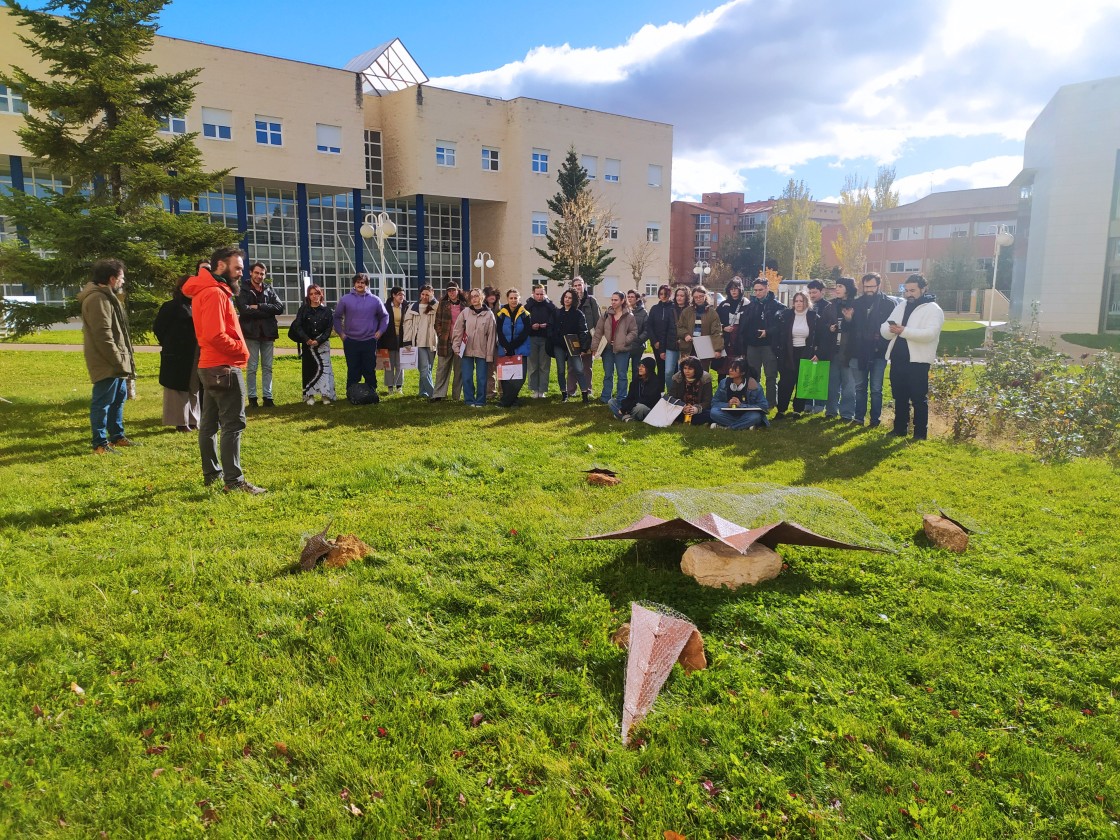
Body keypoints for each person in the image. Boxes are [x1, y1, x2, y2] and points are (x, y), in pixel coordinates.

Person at [182, 246, 266, 494]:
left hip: (210, 365)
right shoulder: (215, 294)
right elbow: (215, 334)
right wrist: (242, 350)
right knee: (233, 424)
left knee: (209, 423)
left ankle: (213, 474)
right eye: (237, 267)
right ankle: (234, 481)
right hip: (223, 366)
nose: (241, 273)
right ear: (221, 266)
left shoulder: (208, 290)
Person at [78, 258, 136, 454]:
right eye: (121, 277)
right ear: (112, 278)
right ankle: (100, 443)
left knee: (118, 399)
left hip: (116, 360)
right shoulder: (98, 299)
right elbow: (103, 335)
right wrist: (117, 360)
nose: (123, 281)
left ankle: (117, 436)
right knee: (102, 403)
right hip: (107, 361)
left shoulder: (108, 296)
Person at [882, 274, 945, 441]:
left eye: (913, 290)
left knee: (918, 398)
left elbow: (930, 334)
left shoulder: (933, 309)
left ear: (923, 289)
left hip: (918, 361)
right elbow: (885, 327)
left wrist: (904, 331)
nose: (909, 294)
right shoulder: (901, 306)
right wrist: (890, 330)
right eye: (906, 290)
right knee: (899, 396)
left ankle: (919, 433)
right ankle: (899, 429)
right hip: (898, 358)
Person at [152, 275, 200, 432]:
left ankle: (194, 420)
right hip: (176, 354)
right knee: (177, 389)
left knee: (194, 387)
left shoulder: (197, 305)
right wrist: (169, 343)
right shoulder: (171, 306)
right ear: (181, 288)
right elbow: (159, 328)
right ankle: (180, 422)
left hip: (194, 352)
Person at [333, 273, 388, 404]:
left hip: (369, 340)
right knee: (353, 369)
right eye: (357, 282)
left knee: (369, 368)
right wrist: (342, 334)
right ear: (354, 284)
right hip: (350, 341)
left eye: (362, 282)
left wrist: (380, 332)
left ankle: (371, 393)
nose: (360, 284)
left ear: (366, 284)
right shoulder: (345, 299)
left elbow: (385, 317)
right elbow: (336, 317)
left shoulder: (375, 300)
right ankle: (351, 393)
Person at [235, 261, 284, 407]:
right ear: (251, 273)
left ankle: (268, 398)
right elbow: (244, 311)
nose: (259, 276)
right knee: (252, 367)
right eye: (256, 273)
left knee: (268, 367)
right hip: (251, 333)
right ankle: (253, 398)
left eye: (262, 273)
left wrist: (259, 306)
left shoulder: (269, 289)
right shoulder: (242, 289)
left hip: (268, 333)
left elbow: (280, 307)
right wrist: (267, 312)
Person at [851, 272, 896, 427]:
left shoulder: (888, 304)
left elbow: (891, 330)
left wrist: (881, 345)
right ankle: (858, 418)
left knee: (876, 389)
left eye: (871, 286)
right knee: (860, 387)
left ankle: (875, 420)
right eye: (866, 286)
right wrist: (849, 319)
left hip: (878, 352)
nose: (868, 289)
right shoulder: (856, 303)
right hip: (859, 351)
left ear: (878, 285)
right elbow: (852, 327)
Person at [772, 291, 820, 418]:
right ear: (793, 303)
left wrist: (817, 353)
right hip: (788, 353)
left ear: (806, 302)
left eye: (802, 301)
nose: (799, 303)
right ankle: (781, 410)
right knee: (785, 383)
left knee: (802, 382)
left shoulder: (813, 316)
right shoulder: (786, 315)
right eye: (796, 301)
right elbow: (779, 334)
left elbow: (819, 337)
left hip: (805, 352)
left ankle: (797, 410)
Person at [739, 278, 784, 406]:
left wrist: (768, 332)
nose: (758, 293)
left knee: (771, 375)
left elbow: (781, 326)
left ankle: (771, 403)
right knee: (753, 375)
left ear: (767, 288)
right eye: (756, 290)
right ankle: (754, 400)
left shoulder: (778, 306)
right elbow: (744, 327)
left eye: (760, 290)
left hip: (769, 345)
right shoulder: (750, 306)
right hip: (752, 346)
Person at [289, 284, 336, 406]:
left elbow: (328, 329)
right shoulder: (303, 309)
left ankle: (325, 394)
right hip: (307, 344)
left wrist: (319, 340)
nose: (314, 296)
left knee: (324, 369)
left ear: (321, 295)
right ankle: (309, 395)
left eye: (317, 293)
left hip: (322, 345)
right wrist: (306, 339)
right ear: (308, 296)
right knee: (309, 369)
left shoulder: (327, 311)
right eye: (311, 294)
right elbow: (297, 326)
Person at [452, 288, 497, 407]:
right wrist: (456, 346)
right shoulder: (465, 312)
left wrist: (490, 354)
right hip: (466, 350)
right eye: (472, 297)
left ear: (482, 297)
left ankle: (481, 401)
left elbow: (492, 335)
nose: (474, 299)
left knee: (482, 378)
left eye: (476, 296)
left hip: (482, 350)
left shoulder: (489, 314)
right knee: (467, 377)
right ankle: (469, 400)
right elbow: (458, 330)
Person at [592, 291, 638, 403]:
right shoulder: (606, 314)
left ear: (622, 301)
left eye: (616, 300)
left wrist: (624, 341)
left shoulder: (629, 316)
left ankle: (621, 397)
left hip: (622, 350)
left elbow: (634, 331)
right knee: (608, 374)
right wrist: (594, 347)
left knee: (622, 375)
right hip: (607, 350)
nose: (613, 302)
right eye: (612, 299)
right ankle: (605, 397)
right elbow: (598, 331)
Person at [825, 277, 858, 420]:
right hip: (833, 351)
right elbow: (822, 324)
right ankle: (831, 411)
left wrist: (849, 319)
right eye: (836, 286)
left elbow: (859, 329)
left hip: (849, 352)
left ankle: (847, 414)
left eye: (840, 286)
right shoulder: (830, 305)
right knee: (832, 385)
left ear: (848, 289)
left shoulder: (856, 305)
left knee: (849, 386)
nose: (836, 289)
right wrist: (829, 327)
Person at [495, 288, 532, 407]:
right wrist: (507, 347)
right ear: (507, 299)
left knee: (519, 377)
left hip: (520, 349)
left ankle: (505, 402)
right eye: (511, 298)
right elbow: (499, 332)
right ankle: (513, 400)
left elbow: (525, 332)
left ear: (519, 298)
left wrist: (513, 346)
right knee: (506, 377)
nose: (513, 300)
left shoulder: (525, 314)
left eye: (516, 298)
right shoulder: (501, 313)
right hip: (504, 349)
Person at [710, 357, 769, 430]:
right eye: (730, 367)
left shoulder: (754, 386)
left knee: (755, 416)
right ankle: (745, 425)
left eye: (734, 368)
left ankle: (727, 428)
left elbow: (764, 406)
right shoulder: (723, 383)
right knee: (714, 412)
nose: (730, 370)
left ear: (743, 372)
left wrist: (742, 405)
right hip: (729, 414)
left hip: (747, 414)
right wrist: (727, 404)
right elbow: (714, 402)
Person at [553, 289, 591, 402]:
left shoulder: (579, 314)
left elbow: (583, 331)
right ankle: (564, 394)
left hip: (573, 346)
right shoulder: (557, 313)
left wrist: (583, 347)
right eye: (565, 297)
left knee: (579, 369)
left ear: (574, 300)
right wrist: (555, 339)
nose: (567, 299)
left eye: (569, 298)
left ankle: (584, 394)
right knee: (561, 370)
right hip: (559, 345)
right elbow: (552, 329)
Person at [432, 283, 467, 401]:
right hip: (445, 341)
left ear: (458, 291)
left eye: (453, 290)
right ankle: (438, 394)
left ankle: (456, 395)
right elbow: (437, 322)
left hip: (461, 342)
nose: (451, 293)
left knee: (459, 369)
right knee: (442, 368)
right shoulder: (443, 305)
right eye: (449, 291)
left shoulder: (465, 305)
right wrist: (441, 335)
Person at [676, 285, 724, 370]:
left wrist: (718, 349)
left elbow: (716, 332)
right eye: (696, 297)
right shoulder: (687, 311)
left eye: (701, 296)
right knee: (687, 372)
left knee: (702, 372)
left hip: (704, 348)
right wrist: (685, 334)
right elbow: (680, 327)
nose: (698, 299)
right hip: (688, 347)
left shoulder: (712, 313)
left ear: (705, 296)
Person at [804, 280, 834, 414]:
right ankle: (808, 402)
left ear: (822, 291)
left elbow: (827, 330)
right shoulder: (806, 306)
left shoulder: (829, 307)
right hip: (808, 344)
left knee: (821, 375)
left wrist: (821, 350)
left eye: (814, 292)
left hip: (823, 346)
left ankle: (820, 404)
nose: (812, 295)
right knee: (809, 374)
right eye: (810, 292)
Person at [405, 285, 438, 398]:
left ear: (432, 293)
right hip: (418, 342)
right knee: (424, 369)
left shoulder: (436, 306)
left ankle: (422, 392)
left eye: (427, 294)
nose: (424, 297)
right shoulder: (413, 307)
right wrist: (407, 341)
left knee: (428, 369)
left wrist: (432, 300)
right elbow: (407, 325)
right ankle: (433, 393)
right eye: (423, 294)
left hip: (432, 342)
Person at [571, 276, 601, 399]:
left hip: (588, 338)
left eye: (580, 284)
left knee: (587, 366)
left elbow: (598, 320)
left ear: (584, 285)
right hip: (573, 338)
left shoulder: (591, 301)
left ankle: (588, 390)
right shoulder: (570, 299)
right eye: (576, 285)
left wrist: (596, 338)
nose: (578, 287)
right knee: (572, 366)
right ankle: (571, 390)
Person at [525, 284, 555, 398]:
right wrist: (531, 326)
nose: (539, 296)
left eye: (541, 294)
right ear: (533, 294)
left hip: (545, 338)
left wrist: (546, 325)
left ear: (545, 294)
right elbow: (523, 321)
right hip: (531, 338)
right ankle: (534, 390)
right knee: (532, 365)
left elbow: (554, 320)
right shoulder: (528, 306)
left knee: (544, 365)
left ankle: (542, 390)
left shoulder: (550, 306)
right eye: (537, 294)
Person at [608, 356, 661, 422]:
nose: (640, 368)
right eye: (639, 366)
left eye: (643, 367)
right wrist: (625, 407)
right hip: (633, 406)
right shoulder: (636, 380)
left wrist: (628, 408)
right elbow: (630, 397)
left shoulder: (655, 381)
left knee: (640, 407)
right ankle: (628, 418)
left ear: (649, 368)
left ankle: (624, 416)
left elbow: (646, 400)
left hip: (646, 408)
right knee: (612, 402)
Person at [646, 284, 678, 385]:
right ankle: (660, 393)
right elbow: (649, 326)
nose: (663, 296)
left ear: (670, 294)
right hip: (657, 344)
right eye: (661, 294)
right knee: (660, 368)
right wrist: (654, 341)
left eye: (666, 294)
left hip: (670, 343)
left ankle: (672, 392)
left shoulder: (674, 308)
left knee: (672, 369)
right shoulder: (655, 308)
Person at [716, 277, 747, 377]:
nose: (733, 291)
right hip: (725, 339)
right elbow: (715, 322)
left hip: (740, 340)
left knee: (737, 367)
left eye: (736, 288)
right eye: (731, 289)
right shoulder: (723, 305)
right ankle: (723, 390)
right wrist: (723, 327)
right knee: (723, 368)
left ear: (740, 289)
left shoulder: (747, 304)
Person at [668, 355, 712, 425]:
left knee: (711, 414)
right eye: (685, 368)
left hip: (698, 410)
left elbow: (707, 400)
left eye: (690, 369)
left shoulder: (705, 379)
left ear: (696, 369)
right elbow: (672, 397)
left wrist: (696, 409)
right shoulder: (677, 378)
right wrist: (683, 407)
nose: (686, 371)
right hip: (681, 409)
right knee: (669, 411)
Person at [381, 286, 408, 394]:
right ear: (393, 295)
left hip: (402, 338)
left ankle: (399, 386)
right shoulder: (385, 307)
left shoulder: (407, 307)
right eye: (399, 294)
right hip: (388, 338)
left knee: (400, 364)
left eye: (403, 295)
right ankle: (390, 387)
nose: (402, 297)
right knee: (389, 364)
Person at [625, 289, 649, 384]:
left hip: (637, 347)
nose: (630, 299)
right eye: (628, 297)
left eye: (632, 297)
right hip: (625, 346)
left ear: (637, 299)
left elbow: (647, 330)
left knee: (636, 370)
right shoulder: (624, 311)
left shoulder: (643, 313)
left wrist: (639, 340)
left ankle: (635, 389)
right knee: (623, 370)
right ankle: (622, 391)